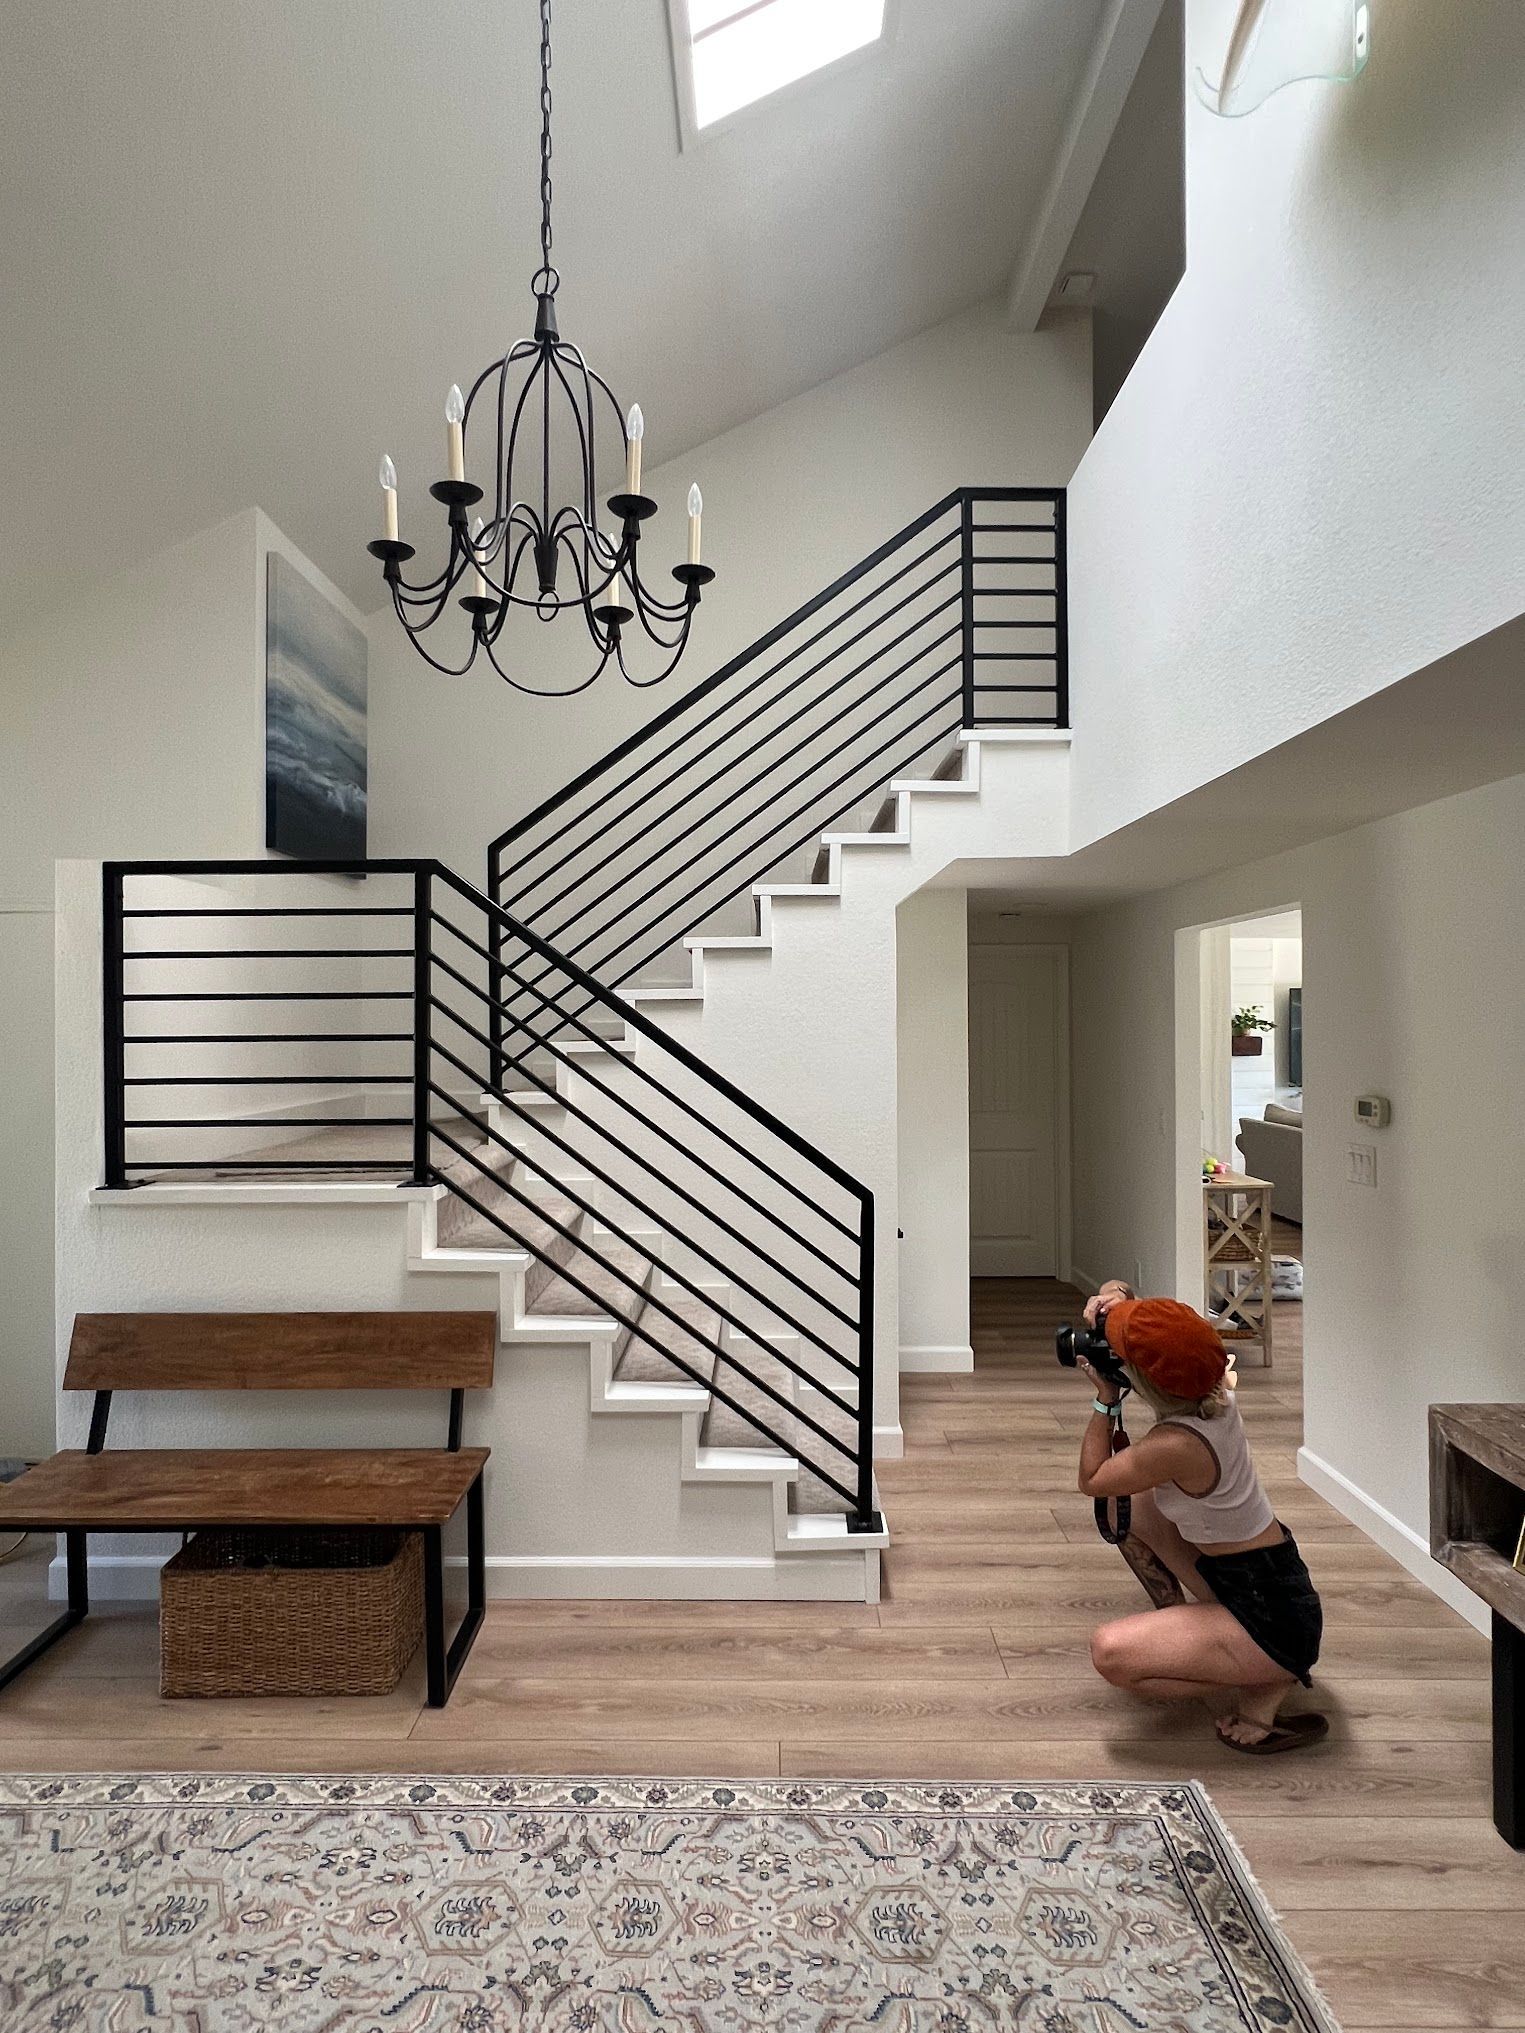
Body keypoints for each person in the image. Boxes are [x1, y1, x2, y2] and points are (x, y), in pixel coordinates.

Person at [1074, 1279, 1327, 1755]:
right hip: (1256, 1577)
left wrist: (1106, 1398)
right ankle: (1202, 1640)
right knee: (1135, 1505)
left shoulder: (1176, 1445)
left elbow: (1092, 1478)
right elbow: (1172, 1332)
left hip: (1271, 1620)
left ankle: (1267, 1678)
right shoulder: (1213, 1386)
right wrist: (1117, 1294)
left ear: (1142, 1380)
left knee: (1110, 1653)